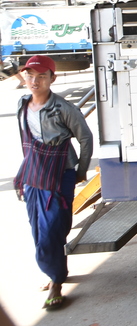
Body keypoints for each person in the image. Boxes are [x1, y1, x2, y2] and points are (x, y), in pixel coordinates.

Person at [12, 55, 92, 312]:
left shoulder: (64, 109)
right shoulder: (22, 105)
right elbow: (27, 143)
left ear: (52, 79)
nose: (35, 81)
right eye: (30, 76)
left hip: (61, 173)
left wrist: (81, 171)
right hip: (34, 174)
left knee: (53, 227)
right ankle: (56, 272)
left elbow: (86, 139)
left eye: (41, 76)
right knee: (38, 228)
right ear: (24, 77)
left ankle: (56, 281)